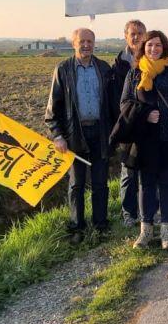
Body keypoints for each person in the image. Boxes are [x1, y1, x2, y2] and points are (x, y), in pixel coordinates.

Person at [45, 28, 116, 245]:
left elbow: (112, 105)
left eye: (90, 41)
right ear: (74, 43)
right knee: (76, 184)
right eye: (82, 41)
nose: (86, 45)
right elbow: (52, 111)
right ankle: (77, 227)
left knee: (100, 183)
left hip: (100, 132)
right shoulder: (63, 69)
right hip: (74, 135)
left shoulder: (103, 68)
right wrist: (57, 135)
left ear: (94, 43)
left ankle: (101, 225)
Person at [120, 31, 168, 250]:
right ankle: (146, 230)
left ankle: (167, 230)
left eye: (158, 45)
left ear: (164, 47)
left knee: (167, 182)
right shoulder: (135, 73)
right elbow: (125, 103)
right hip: (145, 139)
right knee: (146, 184)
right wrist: (145, 115)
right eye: (150, 45)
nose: (154, 49)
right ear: (143, 47)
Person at [111, 19, 146, 227]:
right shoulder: (116, 67)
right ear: (126, 36)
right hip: (127, 126)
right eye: (132, 33)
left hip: (148, 126)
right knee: (128, 174)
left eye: (140, 33)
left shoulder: (152, 60)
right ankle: (128, 215)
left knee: (147, 174)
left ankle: (147, 214)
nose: (136, 37)